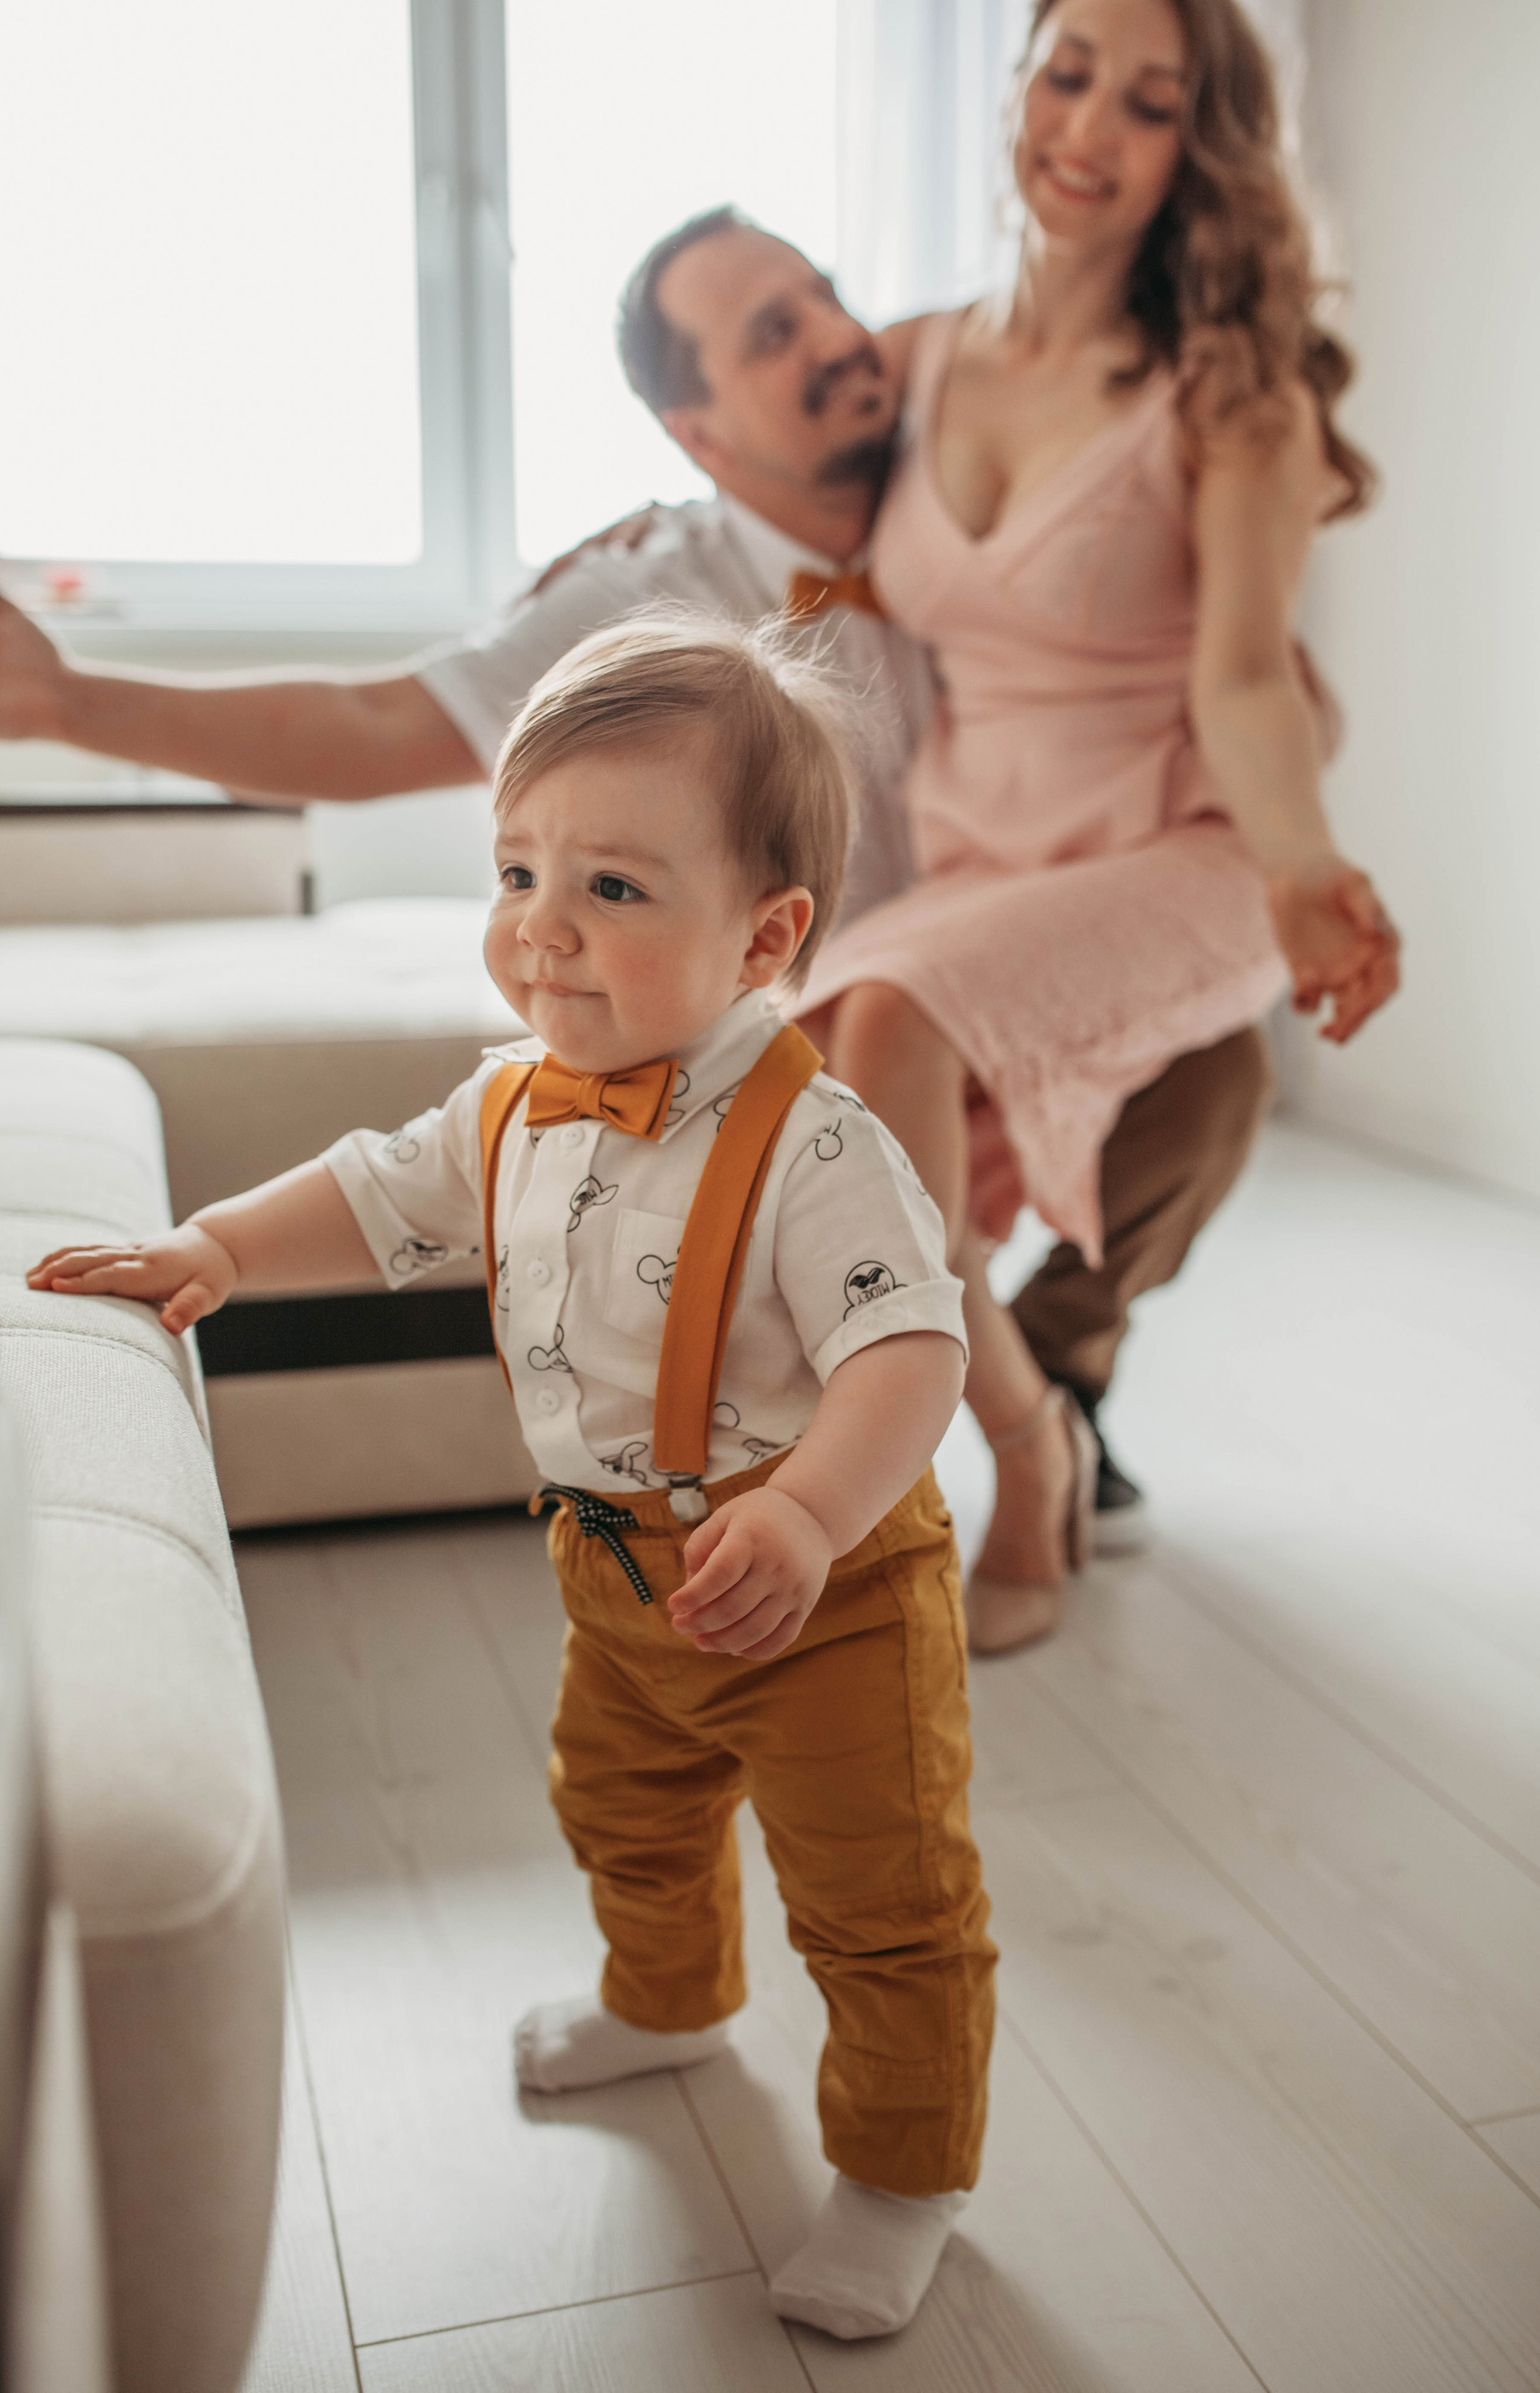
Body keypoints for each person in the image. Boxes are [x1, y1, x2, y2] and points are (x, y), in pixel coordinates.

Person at [0, 203, 1273, 1545]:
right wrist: (75, 705)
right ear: (700, 436)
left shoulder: (958, 468)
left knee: (1216, 1070)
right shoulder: (647, 591)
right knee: (861, 1108)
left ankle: (1059, 1366)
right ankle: (911, 1443)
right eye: (775, 335)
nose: (837, 341)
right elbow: (381, 725)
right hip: (823, 1001)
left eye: (828, 297)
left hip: (1003, 936)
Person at [27, 614, 997, 2343]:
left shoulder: (823, 1147)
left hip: (824, 1586)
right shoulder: (514, 1103)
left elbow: (910, 1354)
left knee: (881, 1892)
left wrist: (808, 1510)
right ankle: (669, 1998)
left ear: (768, 935)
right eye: (518, 866)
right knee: (625, 1811)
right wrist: (215, 1248)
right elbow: (374, 1194)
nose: (541, 926)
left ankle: (904, 2172)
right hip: (613, 1574)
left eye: (614, 888)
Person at [800, 0, 1403, 1651]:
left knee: (894, 1017)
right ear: (1013, 86)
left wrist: (1304, 866)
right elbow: (768, 521)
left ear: (1194, 150)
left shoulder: (1230, 395)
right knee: (820, 1057)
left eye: (1147, 104)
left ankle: (1005, 1464)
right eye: (1065, 74)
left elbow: (1249, 681)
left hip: (1180, 851)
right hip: (986, 863)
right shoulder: (919, 358)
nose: (1087, 127)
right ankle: (1026, 1430)